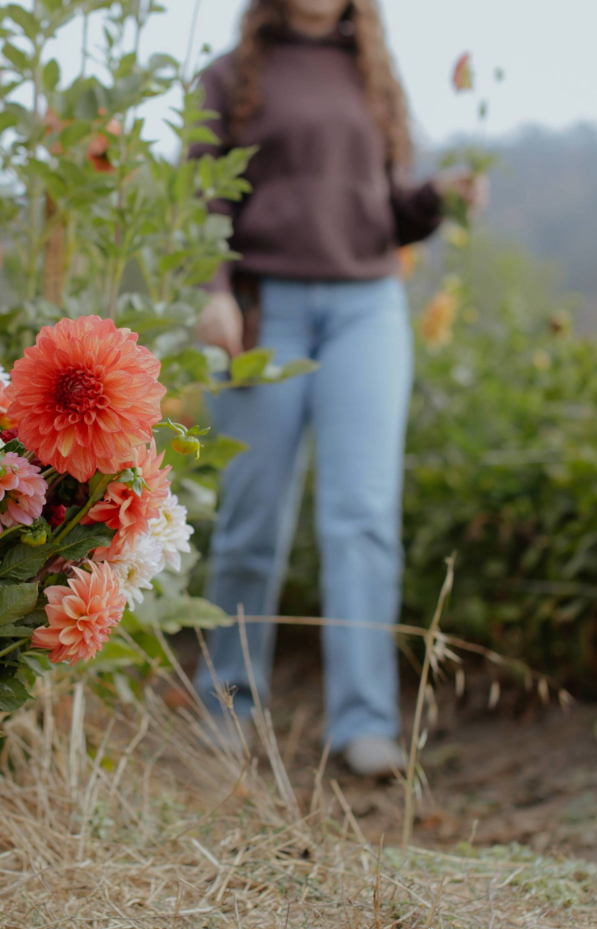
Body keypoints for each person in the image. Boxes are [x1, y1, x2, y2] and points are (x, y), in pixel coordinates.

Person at [190, 0, 485, 777]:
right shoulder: (225, 78)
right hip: (265, 309)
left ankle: (364, 721)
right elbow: (202, 203)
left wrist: (437, 198)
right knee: (255, 515)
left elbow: (384, 211)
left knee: (363, 516)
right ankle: (228, 699)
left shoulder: (372, 74)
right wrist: (211, 288)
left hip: (369, 310)